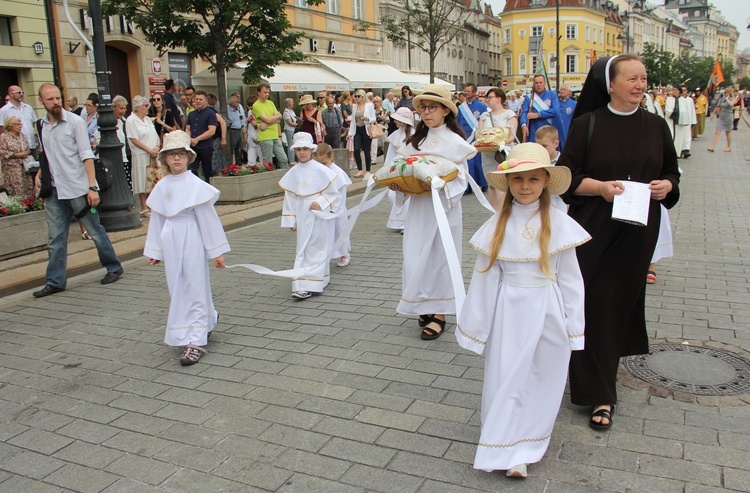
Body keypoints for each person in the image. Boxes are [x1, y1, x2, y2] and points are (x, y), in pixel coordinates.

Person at [559, 55, 680, 430]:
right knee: (591, 304)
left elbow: (671, 172)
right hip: (593, 227)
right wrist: (600, 188)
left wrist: (667, 186)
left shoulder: (658, 126)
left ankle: (599, 385)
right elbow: (565, 179)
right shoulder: (587, 124)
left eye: (643, 78)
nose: (640, 84)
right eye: (632, 78)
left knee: (614, 307)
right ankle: (600, 395)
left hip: (637, 231)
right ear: (610, 85)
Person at [457, 142, 589, 478]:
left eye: (533, 179)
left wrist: (575, 328)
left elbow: (571, 281)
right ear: (509, 183)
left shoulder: (558, 223)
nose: (526, 186)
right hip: (509, 313)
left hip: (547, 311)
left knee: (542, 377)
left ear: (546, 181)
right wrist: (477, 328)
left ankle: (527, 444)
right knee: (507, 377)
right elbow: (484, 281)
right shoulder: (497, 226)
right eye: (518, 180)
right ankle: (505, 448)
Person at [389, 84, 475, 340]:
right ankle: (422, 304)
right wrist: (400, 185)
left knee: (440, 257)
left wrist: (437, 184)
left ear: (445, 111)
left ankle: (440, 313)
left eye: (432, 107)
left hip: (442, 209)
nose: (427, 112)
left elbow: (461, 178)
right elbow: (404, 169)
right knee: (415, 256)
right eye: (423, 107)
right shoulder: (416, 140)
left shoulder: (455, 142)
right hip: (419, 208)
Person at [144, 130, 229, 366]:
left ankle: (196, 339)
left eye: (181, 154)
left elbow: (207, 219)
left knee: (195, 283)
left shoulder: (195, 184)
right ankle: (205, 320)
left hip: (192, 235)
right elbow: (158, 219)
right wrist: (155, 250)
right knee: (177, 285)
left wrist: (216, 252)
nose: (177, 159)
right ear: (165, 159)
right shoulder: (162, 186)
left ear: (189, 157)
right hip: (171, 238)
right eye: (172, 155)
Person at [32, 83, 123, 298]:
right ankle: (55, 281)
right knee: (55, 238)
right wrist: (40, 174)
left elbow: (86, 156)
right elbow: (46, 155)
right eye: (50, 99)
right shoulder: (41, 125)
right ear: (41, 101)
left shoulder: (74, 122)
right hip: (54, 190)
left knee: (95, 231)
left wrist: (92, 187)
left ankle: (113, 267)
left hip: (78, 188)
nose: (55, 102)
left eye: (57, 98)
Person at [279, 132, 340, 300]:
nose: (302, 153)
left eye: (305, 149)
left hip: (317, 214)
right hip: (302, 214)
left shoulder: (320, 169)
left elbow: (332, 193)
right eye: (298, 149)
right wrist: (291, 219)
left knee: (318, 246)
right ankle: (302, 284)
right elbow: (290, 197)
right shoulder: (294, 172)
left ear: (311, 149)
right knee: (303, 249)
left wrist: (320, 201)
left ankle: (316, 280)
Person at [314, 143, 352, 267]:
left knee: (340, 232)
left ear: (331, 157)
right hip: (324, 209)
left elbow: (340, 195)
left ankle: (345, 254)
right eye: (318, 164)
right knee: (326, 235)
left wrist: (333, 209)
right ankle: (325, 256)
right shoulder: (319, 171)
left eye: (324, 163)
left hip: (336, 210)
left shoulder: (338, 173)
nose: (322, 166)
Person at [126, 95, 160, 217]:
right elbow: (135, 139)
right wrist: (149, 150)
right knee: (142, 180)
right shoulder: (131, 120)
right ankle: (144, 207)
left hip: (153, 153)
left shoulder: (147, 120)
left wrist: (156, 147)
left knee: (153, 178)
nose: (148, 108)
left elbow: (155, 135)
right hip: (141, 153)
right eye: (145, 106)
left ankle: (153, 205)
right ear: (138, 107)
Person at [384, 107, 414, 233]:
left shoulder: (414, 134)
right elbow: (390, 155)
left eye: (397, 119)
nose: (395, 121)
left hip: (409, 168)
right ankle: (399, 221)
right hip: (396, 168)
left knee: (408, 196)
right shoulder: (395, 135)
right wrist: (387, 170)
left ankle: (407, 223)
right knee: (393, 194)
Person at [520, 74, 567, 150]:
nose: (539, 85)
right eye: (536, 83)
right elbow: (524, 112)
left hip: (548, 129)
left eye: (540, 82)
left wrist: (539, 114)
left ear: (544, 83)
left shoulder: (552, 95)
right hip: (533, 131)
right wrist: (523, 125)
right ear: (534, 84)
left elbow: (555, 110)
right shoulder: (529, 97)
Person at [456, 83, 489, 190]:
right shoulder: (461, 108)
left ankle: (482, 183)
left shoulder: (482, 107)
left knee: (478, 162)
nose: (466, 93)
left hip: (476, 136)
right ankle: (468, 186)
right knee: (467, 162)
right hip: (465, 136)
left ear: (474, 93)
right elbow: (457, 121)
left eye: (468, 91)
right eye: (465, 91)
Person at [253, 82, 289, 170]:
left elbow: (278, 116)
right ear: (259, 93)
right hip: (265, 137)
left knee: (284, 159)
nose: (267, 94)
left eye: (268, 92)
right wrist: (273, 119)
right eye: (265, 92)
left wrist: (269, 121)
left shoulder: (270, 103)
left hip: (275, 135)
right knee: (268, 163)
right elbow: (269, 118)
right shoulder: (256, 105)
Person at [185, 90, 217, 181]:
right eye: (196, 99)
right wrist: (190, 138)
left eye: (201, 99)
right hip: (193, 146)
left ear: (206, 100)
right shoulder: (191, 114)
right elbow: (188, 128)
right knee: (191, 169)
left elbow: (211, 131)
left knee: (207, 170)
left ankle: (209, 189)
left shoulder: (210, 113)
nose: (198, 101)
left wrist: (198, 139)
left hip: (206, 146)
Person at [0, 116, 35, 198]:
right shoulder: (4, 136)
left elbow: (27, 148)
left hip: (24, 166)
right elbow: (2, 151)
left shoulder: (21, 136)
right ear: (10, 125)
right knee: (15, 188)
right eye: (17, 124)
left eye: (20, 124)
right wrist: (16, 155)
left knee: (28, 186)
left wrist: (25, 153)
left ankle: (29, 204)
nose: (20, 126)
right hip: (12, 168)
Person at [0, 85, 38, 158]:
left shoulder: (28, 108)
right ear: (11, 94)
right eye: (19, 92)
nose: (22, 94)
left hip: (32, 146)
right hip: (16, 150)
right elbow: (2, 129)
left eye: (22, 92)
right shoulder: (4, 110)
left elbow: (32, 123)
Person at [346, 89, 376, 178]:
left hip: (366, 129)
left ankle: (367, 170)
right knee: (356, 149)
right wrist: (350, 133)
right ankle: (360, 169)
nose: (356, 98)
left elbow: (374, 118)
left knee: (367, 150)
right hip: (357, 130)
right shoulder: (354, 106)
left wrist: (368, 119)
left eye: (358, 96)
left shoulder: (369, 105)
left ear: (363, 97)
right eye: (355, 96)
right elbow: (352, 121)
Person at [707, 87, 735, 153]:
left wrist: (727, 99)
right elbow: (718, 106)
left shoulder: (732, 99)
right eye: (725, 92)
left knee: (727, 132)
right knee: (717, 132)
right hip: (722, 117)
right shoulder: (722, 99)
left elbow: (732, 104)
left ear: (730, 93)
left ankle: (729, 146)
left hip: (728, 117)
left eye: (727, 92)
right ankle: (712, 147)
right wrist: (713, 114)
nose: (725, 93)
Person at [282, 98, 297, 163]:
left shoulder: (292, 111)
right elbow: (290, 123)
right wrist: (297, 124)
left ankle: (293, 158)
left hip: (294, 129)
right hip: (289, 129)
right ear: (287, 104)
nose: (293, 104)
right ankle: (291, 160)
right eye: (291, 102)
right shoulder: (286, 112)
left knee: (293, 143)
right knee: (290, 144)